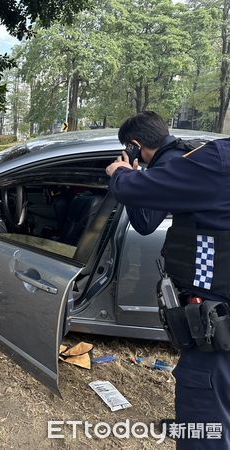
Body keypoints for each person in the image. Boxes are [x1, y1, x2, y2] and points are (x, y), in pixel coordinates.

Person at [106, 111, 230, 450]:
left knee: (207, 415)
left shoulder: (212, 161)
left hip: (216, 329)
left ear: (135, 144)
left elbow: (143, 215)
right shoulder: (199, 155)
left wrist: (122, 173)